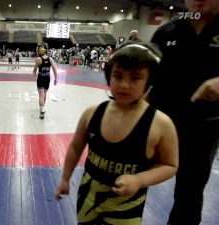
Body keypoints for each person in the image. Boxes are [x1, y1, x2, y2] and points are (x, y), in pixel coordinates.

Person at [55, 42, 179, 225]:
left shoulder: (160, 124)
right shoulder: (92, 113)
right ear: (108, 76)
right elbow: (75, 147)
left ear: (150, 82)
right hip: (88, 197)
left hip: (127, 206)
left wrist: (139, 180)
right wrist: (65, 178)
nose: (124, 85)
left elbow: (170, 165)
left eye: (136, 78)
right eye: (117, 76)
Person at [150, 1, 219, 225]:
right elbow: (150, 84)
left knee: (189, 195)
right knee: (126, 179)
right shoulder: (165, 33)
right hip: (160, 125)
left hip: (204, 130)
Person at [32, 46, 58, 119]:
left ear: (39, 52)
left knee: (41, 95)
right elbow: (54, 69)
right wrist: (56, 79)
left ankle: (42, 110)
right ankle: (42, 108)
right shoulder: (50, 59)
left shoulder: (38, 59)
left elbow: (34, 70)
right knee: (45, 94)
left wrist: (34, 73)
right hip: (47, 78)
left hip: (40, 78)